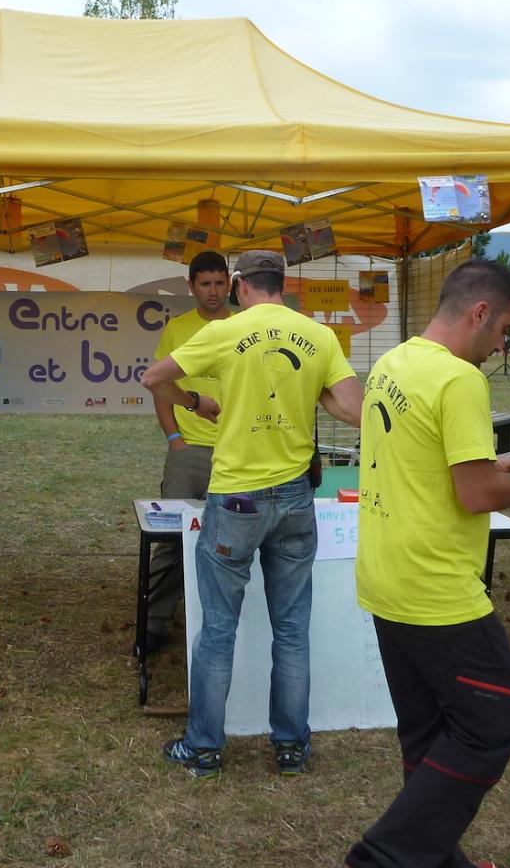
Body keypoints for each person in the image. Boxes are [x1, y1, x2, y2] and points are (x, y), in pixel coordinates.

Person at [344, 259, 510, 868]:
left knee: (427, 734)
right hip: (436, 591)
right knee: (489, 727)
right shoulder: (459, 380)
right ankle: (382, 858)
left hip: (384, 577)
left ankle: (435, 859)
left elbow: (424, 461)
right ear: (479, 313)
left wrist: (498, 466)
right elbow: (476, 496)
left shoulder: (395, 362)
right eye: (504, 328)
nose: (502, 343)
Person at [141, 250, 363, 778]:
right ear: (283, 286)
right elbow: (353, 410)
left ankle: (205, 749)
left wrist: (196, 403)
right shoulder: (319, 336)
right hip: (294, 498)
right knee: (292, 629)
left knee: (219, 629)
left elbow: (153, 377)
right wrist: (317, 398)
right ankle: (291, 746)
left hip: (236, 497)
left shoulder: (225, 332)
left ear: (240, 285)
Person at [142, 249, 231, 655]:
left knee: (231, 541)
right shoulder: (178, 328)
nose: (213, 291)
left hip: (237, 453)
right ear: (191, 287)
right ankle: (155, 622)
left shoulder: (246, 325)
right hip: (189, 451)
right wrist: (174, 439)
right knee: (172, 539)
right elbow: (160, 385)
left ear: (231, 284)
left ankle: (223, 622)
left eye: (220, 282)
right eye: (205, 284)